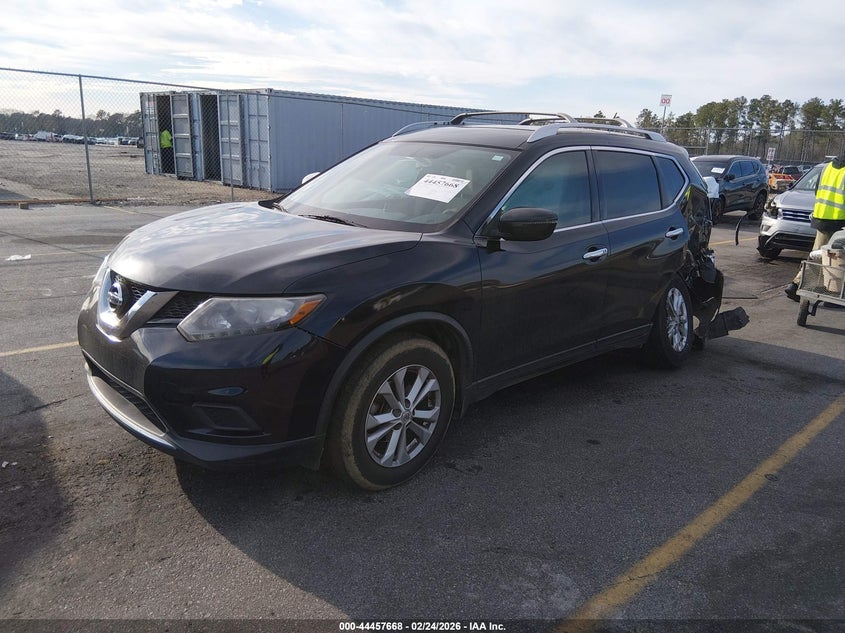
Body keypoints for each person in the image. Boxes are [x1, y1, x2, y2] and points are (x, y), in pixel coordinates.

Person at [785, 150, 845, 301]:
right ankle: (833, 291)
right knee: (837, 259)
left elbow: (818, 190)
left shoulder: (827, 167)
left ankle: (797, 285)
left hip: (823, 217)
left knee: (818, 255)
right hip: (840, 221)